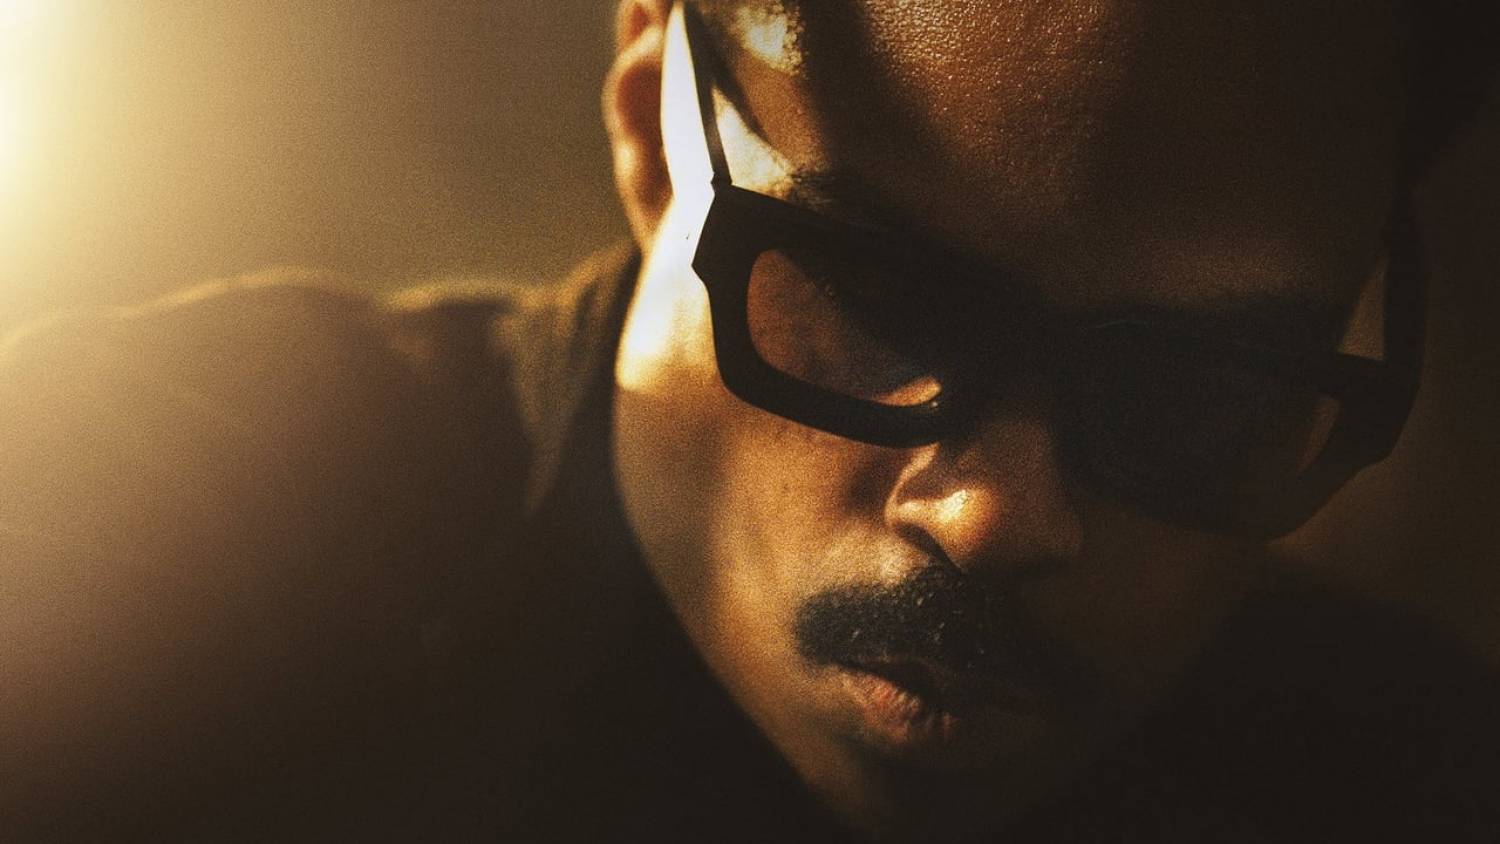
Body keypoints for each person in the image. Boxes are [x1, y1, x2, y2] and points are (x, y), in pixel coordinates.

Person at [2, 0, 1497, 840]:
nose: (997, 518)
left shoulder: (1408, 777)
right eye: (878, 293)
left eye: (1200, 384)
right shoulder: (117, 539)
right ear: (653, 126)